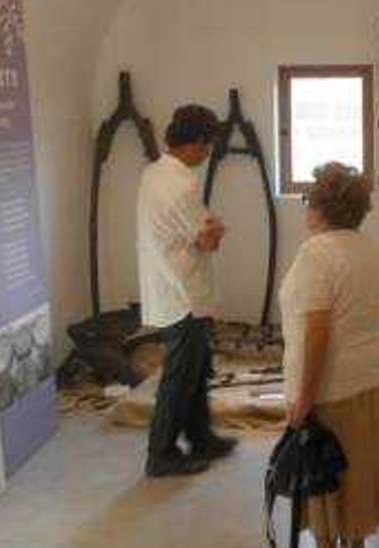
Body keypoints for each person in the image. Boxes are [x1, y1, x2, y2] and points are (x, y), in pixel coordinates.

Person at [280, 162, 379, 548]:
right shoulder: (368, 249)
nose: (306, 206)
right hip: (368, 382)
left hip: (330, 393)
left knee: (327, 492)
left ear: (320, 208)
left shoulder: (316, 254)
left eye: (309, 198)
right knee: (354, 488)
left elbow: (317, 334)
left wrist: (304, 399)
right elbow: (378, 314)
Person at [137, 104, 237, 478]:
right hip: (184, 295)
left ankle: (201, 438)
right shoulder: (182, 184)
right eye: (207, 145)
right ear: (195, 143)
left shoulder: (153, 172)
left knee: (195, 369)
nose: (208, 153)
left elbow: (198, 230)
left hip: (170, 286)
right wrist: (215, 230)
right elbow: (208, 238)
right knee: (179, 378)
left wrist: (208, 229)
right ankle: (159, 454)